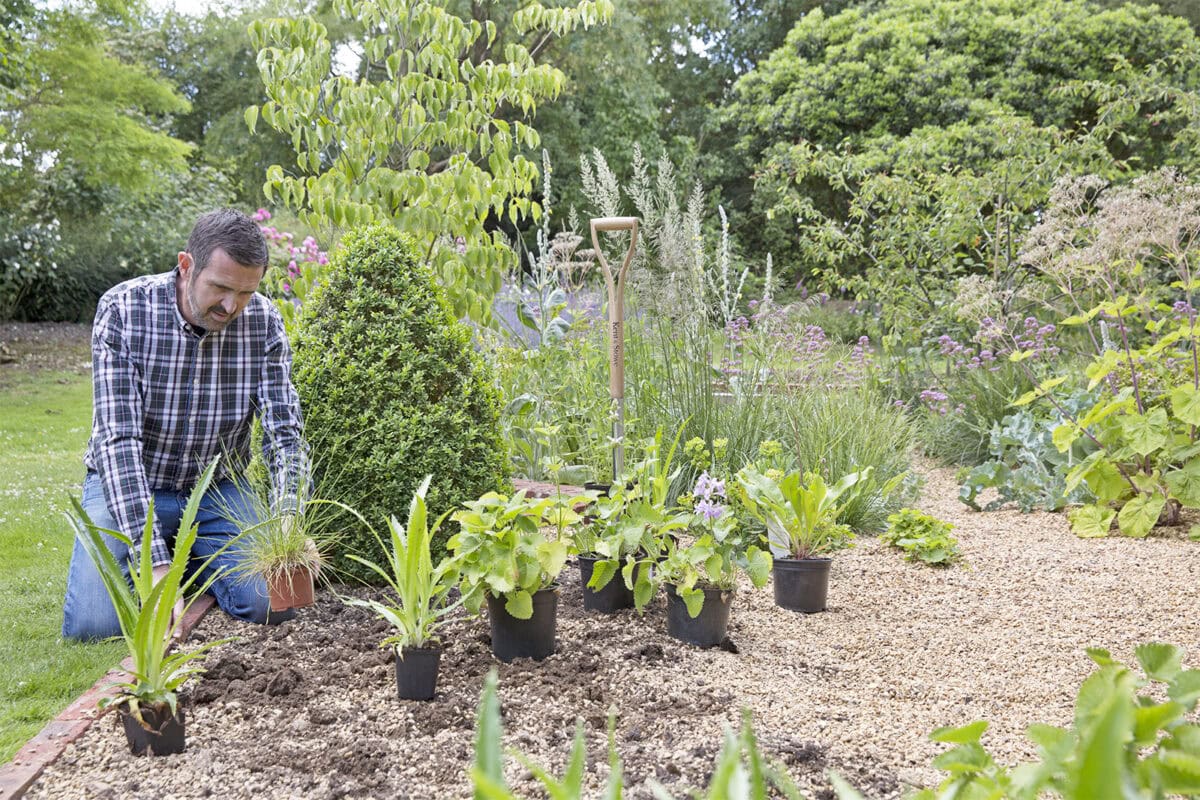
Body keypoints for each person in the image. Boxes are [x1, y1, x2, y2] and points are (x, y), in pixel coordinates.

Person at [62, 209, 308, 641]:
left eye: (245, 292)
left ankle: (194, 558)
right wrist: (154, 563)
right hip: (134, 482)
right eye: (221, 288)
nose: (231, 306)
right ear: (186, 265)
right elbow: (118, 443)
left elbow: (284, 434)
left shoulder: (265, 322)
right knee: (94, 626)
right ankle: (173, 555)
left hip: (217, 491)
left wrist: (289, 518)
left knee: (272, 601)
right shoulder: (124, 310)